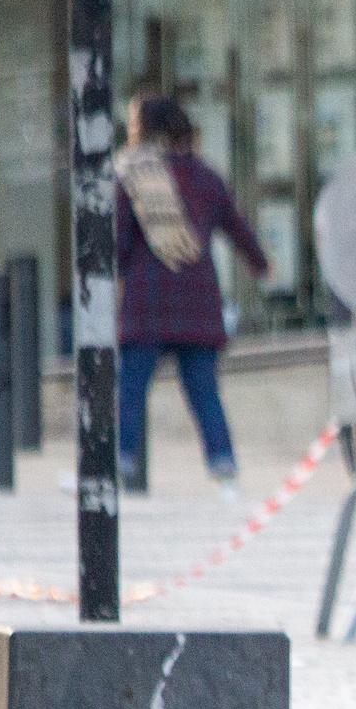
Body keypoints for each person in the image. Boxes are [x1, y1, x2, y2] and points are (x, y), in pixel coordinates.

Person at [113, 96, 267, 498]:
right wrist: (260, 263)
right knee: (204, 392)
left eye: (133, 121)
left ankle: (119, 464)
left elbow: (120, 242)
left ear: (145, 128)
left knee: (130, 389)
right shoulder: (205, 176)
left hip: (148, 300)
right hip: (197, 300)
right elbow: (236, 226)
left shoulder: (135, 174)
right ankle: (224, 471)